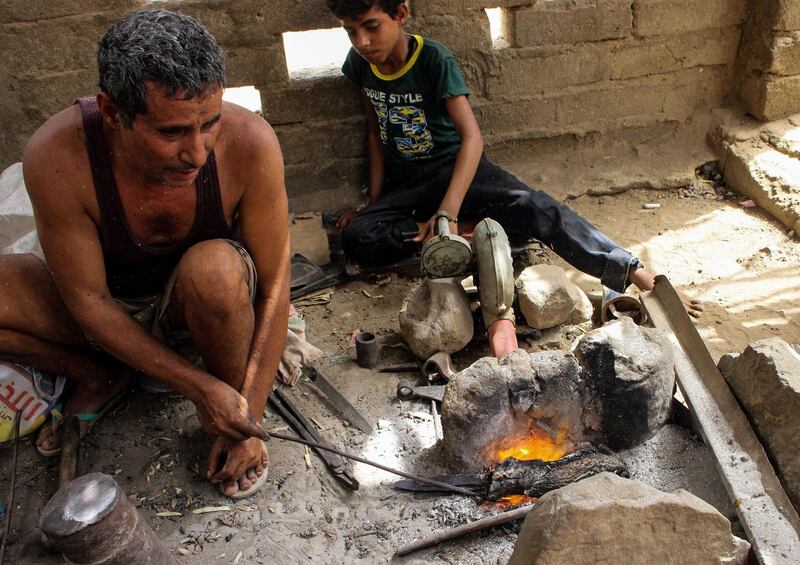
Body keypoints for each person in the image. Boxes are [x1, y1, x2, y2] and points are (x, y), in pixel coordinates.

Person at [0, 9, 289, 498]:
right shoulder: (56, 154)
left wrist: (247, 413)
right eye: (172, 132)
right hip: (108, 312)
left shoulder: (251, 143)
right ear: (113, 113)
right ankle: (99, 374)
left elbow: (277, 282)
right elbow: (88, 301)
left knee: (215, 271)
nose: (197, 154)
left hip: (203, 311)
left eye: (209, 125)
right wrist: (199, 390)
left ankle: (228, 412)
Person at [326, 0, 664, 356]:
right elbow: (375, 135)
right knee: (358, 237)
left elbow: (472, 138)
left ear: (400, 14)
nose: (362, 41)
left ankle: (631, 271)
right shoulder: (361, 66)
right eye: (351, 31)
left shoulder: (434, 60)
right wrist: (374, 204)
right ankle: (463, 232)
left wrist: (448, 213)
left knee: (534, 206)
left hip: (461, 172)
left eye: (371, 26)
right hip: (410, 184)